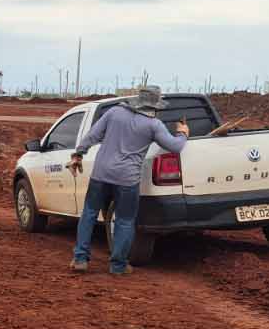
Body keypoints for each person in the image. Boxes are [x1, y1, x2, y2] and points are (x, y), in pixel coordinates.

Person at [67, 86, 189, 276]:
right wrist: (183, 133)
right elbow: (175, 146)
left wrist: (78, 154)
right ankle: (118, 266)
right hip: (127, 180)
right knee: (124, 221)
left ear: (138, 100)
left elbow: (92, 135)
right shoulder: (154, 125)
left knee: (89, 214)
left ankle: (80, 259)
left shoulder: (114, 112)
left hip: (100, 174)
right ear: (155, 106)